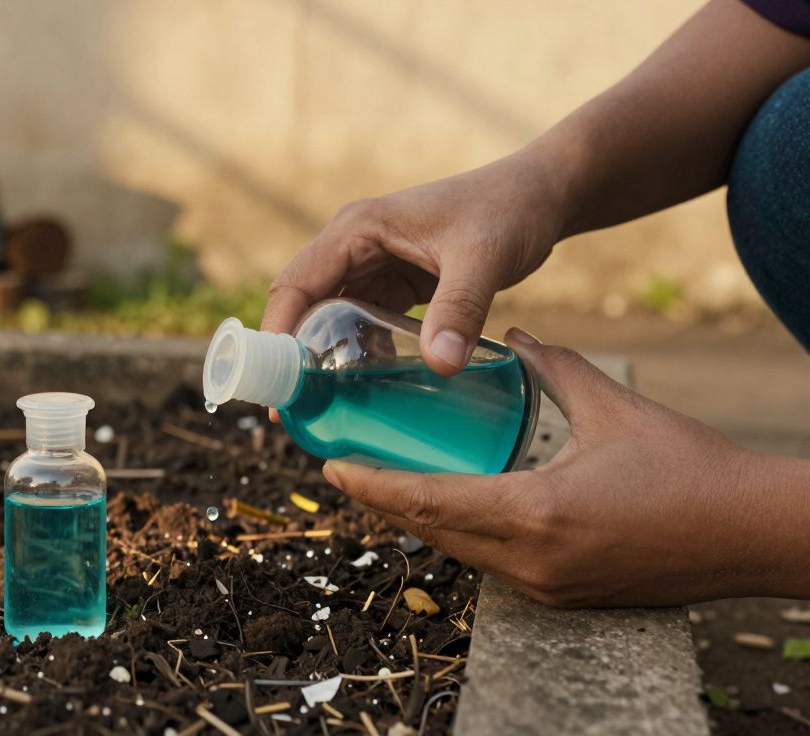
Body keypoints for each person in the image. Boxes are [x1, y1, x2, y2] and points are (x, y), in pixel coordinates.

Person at [262, 0, 810, 607]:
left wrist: (741, 521)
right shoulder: (320, 370)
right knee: (792, 142)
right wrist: (544, 179)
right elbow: (786, 18)